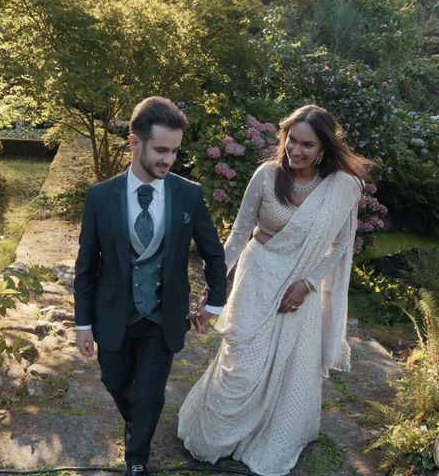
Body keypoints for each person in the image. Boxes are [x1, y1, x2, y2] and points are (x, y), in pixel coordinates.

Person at [178, 104, 373, 476]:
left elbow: (340, 247)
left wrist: (308, 283)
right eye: (291, 141)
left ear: (323, 149)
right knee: (242, 367)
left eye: (307, 145)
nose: (296, 151)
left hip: (301, 289)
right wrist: (214, 289)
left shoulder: (343, 187)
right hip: (258, 278)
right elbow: (237, 236)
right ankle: (220, 436)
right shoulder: (267, 176)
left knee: (289, 369)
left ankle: (270, 435)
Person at [73, 96, 228, 476]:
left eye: (174, 151)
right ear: (134, 143)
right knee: (115, 381)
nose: (168, 160)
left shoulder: (188, 194)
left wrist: (215, 303)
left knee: (151, 393)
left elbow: (214, 253)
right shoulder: (100, 196)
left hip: (163, 316)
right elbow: (86, 265)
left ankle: (137, 458)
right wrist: (82, 323)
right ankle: (136, 420)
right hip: (114, 314)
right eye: (161, 150)